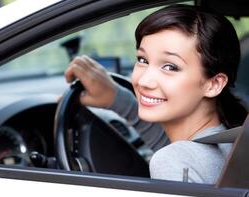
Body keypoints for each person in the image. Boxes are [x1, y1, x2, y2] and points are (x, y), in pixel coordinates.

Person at [64, 4, 248, 184]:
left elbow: (175, 157)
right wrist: (115, 98)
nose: (143, 81)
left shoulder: (174, 161)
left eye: (170, 67)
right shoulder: (233, 138)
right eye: (142, 60)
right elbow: (171, 145)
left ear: (214, 84)